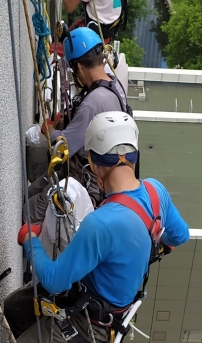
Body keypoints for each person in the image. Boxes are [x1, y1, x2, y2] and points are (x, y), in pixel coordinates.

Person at [0, 111, 189, 343]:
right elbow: (180, 236)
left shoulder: (102, 224)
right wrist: (150, 246)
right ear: (132, 155)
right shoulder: (155, 193)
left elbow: (53, 278)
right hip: (112, 313)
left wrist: (30, 241)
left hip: (88, 326)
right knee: (14, 307)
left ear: (96, 164)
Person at [27, 26, 130, 220]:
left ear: (80, 67)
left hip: (82, 181)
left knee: (29, 214)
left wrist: (49, 130)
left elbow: (64, 145)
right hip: (95, 176)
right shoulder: (114, 85)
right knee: (29, 193)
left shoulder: (93, 103)